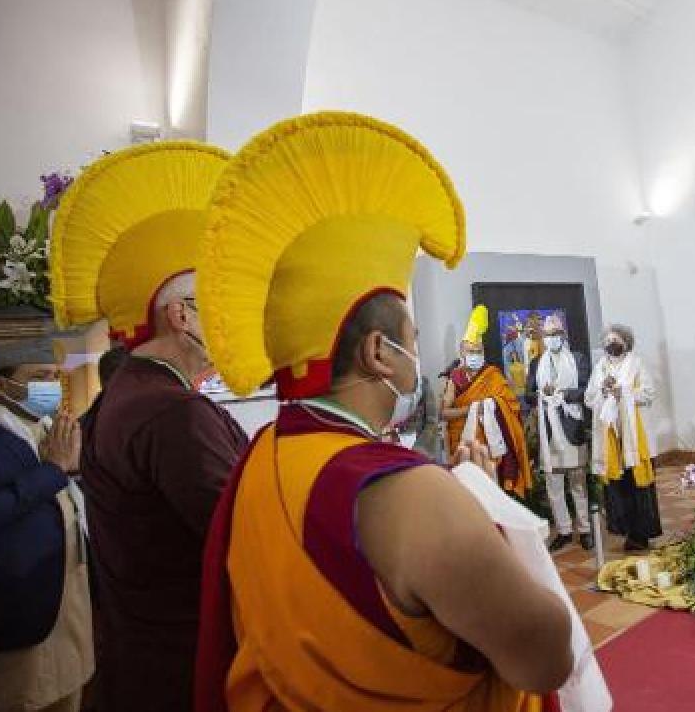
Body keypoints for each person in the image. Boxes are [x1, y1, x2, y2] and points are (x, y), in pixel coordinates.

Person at [193, 112, 594, 711]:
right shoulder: (411, 493)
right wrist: (487, 506)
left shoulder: (260, 459)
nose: (419, 352)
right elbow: (545, 656)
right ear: (381, 352)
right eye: (414, 333)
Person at [49, 141, 248, 712]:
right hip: (181, 662)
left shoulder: (126, 394)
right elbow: (239, 534)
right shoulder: (173, 413)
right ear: (180, 315)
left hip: (136, 654)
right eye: (215, 306)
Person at [0, 338, 93, 712]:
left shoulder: (48, 428)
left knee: (68, 691)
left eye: (55, 376)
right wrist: (51, 471)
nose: (51, 385)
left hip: (67, 593)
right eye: (40, 376)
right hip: (20, 601)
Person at [584, 325, 662, 552]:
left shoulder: (636, 364)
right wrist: (604, 392)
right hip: (611, 437)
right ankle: (626, 529)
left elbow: (648, 393)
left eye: (616, 339)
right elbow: (589, 398)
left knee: (638, 483)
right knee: (618, 485)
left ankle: (642, 533)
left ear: (626, 342)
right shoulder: (600, 367)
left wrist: (623, 393)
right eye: (608, 340)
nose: (612, 343)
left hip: (634, 437)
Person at [441, 306, 533, 497]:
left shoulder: (493, 375)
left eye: (478, 351)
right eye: (470, 351)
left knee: (493, 489)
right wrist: (474, 408)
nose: (475, 355)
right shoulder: (455, 378)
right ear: (462, 354)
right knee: (469, 492)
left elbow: (512, 406)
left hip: (492, 444)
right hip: (464, 445)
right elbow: (444, 413)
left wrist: (493, 406)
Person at [525, 314, 593, 552]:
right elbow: (528, 395)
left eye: (556, 334)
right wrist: (542, 393)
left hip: (571, 425)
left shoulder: (578, 359)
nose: (552, 339)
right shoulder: (536, 363)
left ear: (563, 336)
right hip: (548, 430)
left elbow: (586, 390)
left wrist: (562, 393)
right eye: (548, 335)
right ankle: (564, 530)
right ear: (544, 338)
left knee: (578, 482)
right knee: (554, 485)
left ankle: (585, 529)